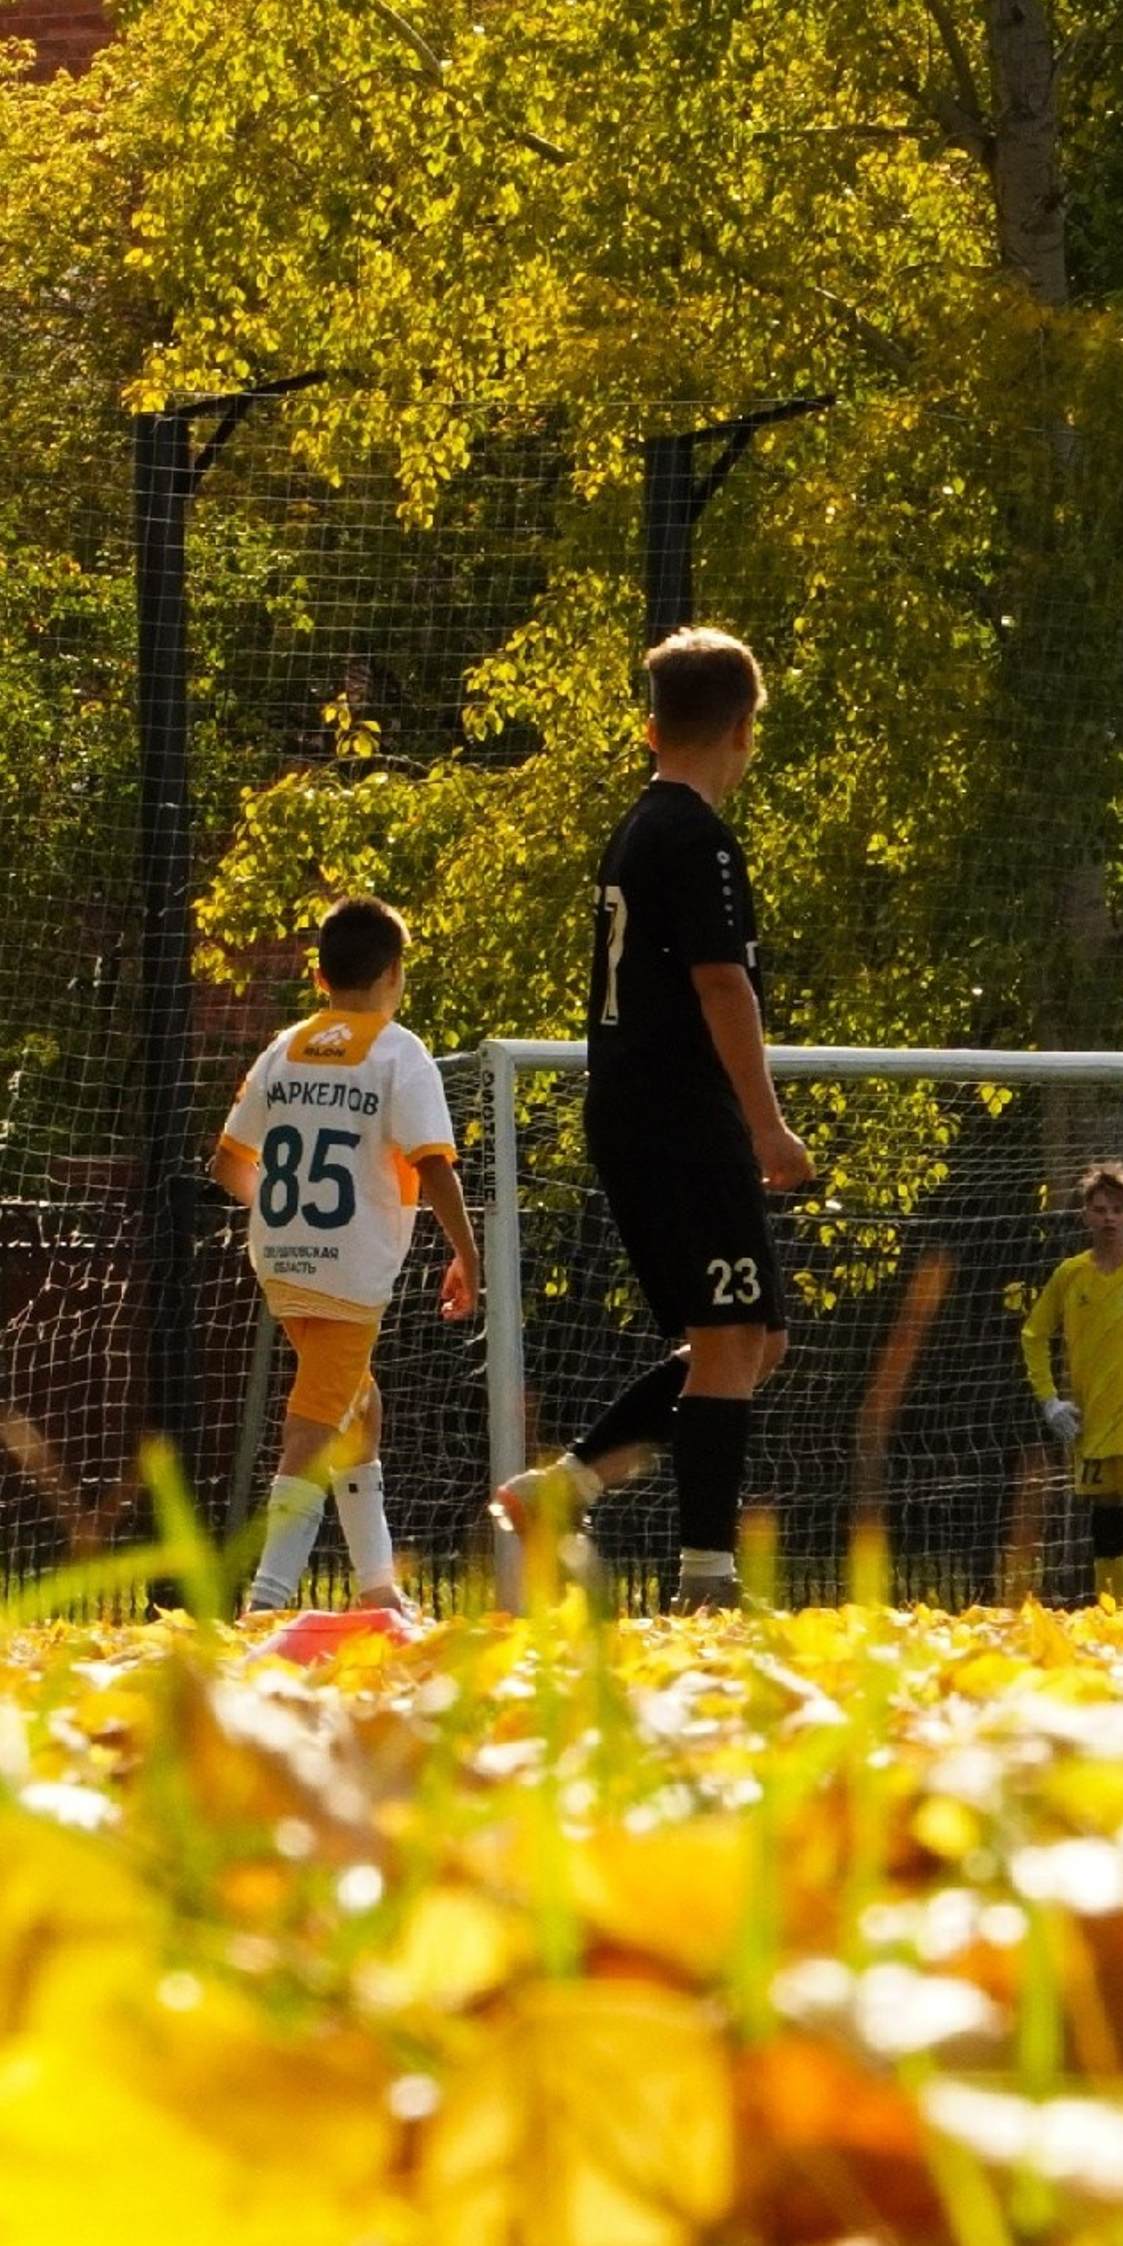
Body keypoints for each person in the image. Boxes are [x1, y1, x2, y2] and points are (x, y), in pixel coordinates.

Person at [492, 626, 813, 1612]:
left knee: (750, 1338)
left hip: (628, 1106)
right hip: (678, 1108)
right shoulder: (697, 837)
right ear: (744, 731)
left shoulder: (634, 827)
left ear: (649, 727)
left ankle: (566, 1487)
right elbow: (722, 984)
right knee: (730, 1335)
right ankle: (707, 1580)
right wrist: (765, 1124)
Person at [212, 895, 481, 1617]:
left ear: (321, 977)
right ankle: (265, 1602)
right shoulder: (400, 1051)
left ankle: (377, 1588)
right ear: (393, 974)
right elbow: (433, 1166)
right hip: (350, 1268)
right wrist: (467, 1253)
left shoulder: (284, 1047)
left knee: (360, 1410)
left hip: (280, 1260)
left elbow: (229, 1164)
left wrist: (282, 1210)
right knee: (314, 1423)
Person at [1021, 1161, 1123, 1606]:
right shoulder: (1070, 1275)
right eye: (1100, 1209)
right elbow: (1034, 1335)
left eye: (1118, 1209)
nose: (1109, 1218)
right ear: (1085, 1216)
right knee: (1107, 1514)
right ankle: (1110, 1615)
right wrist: (1050, 1401)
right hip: (1094, 1419)